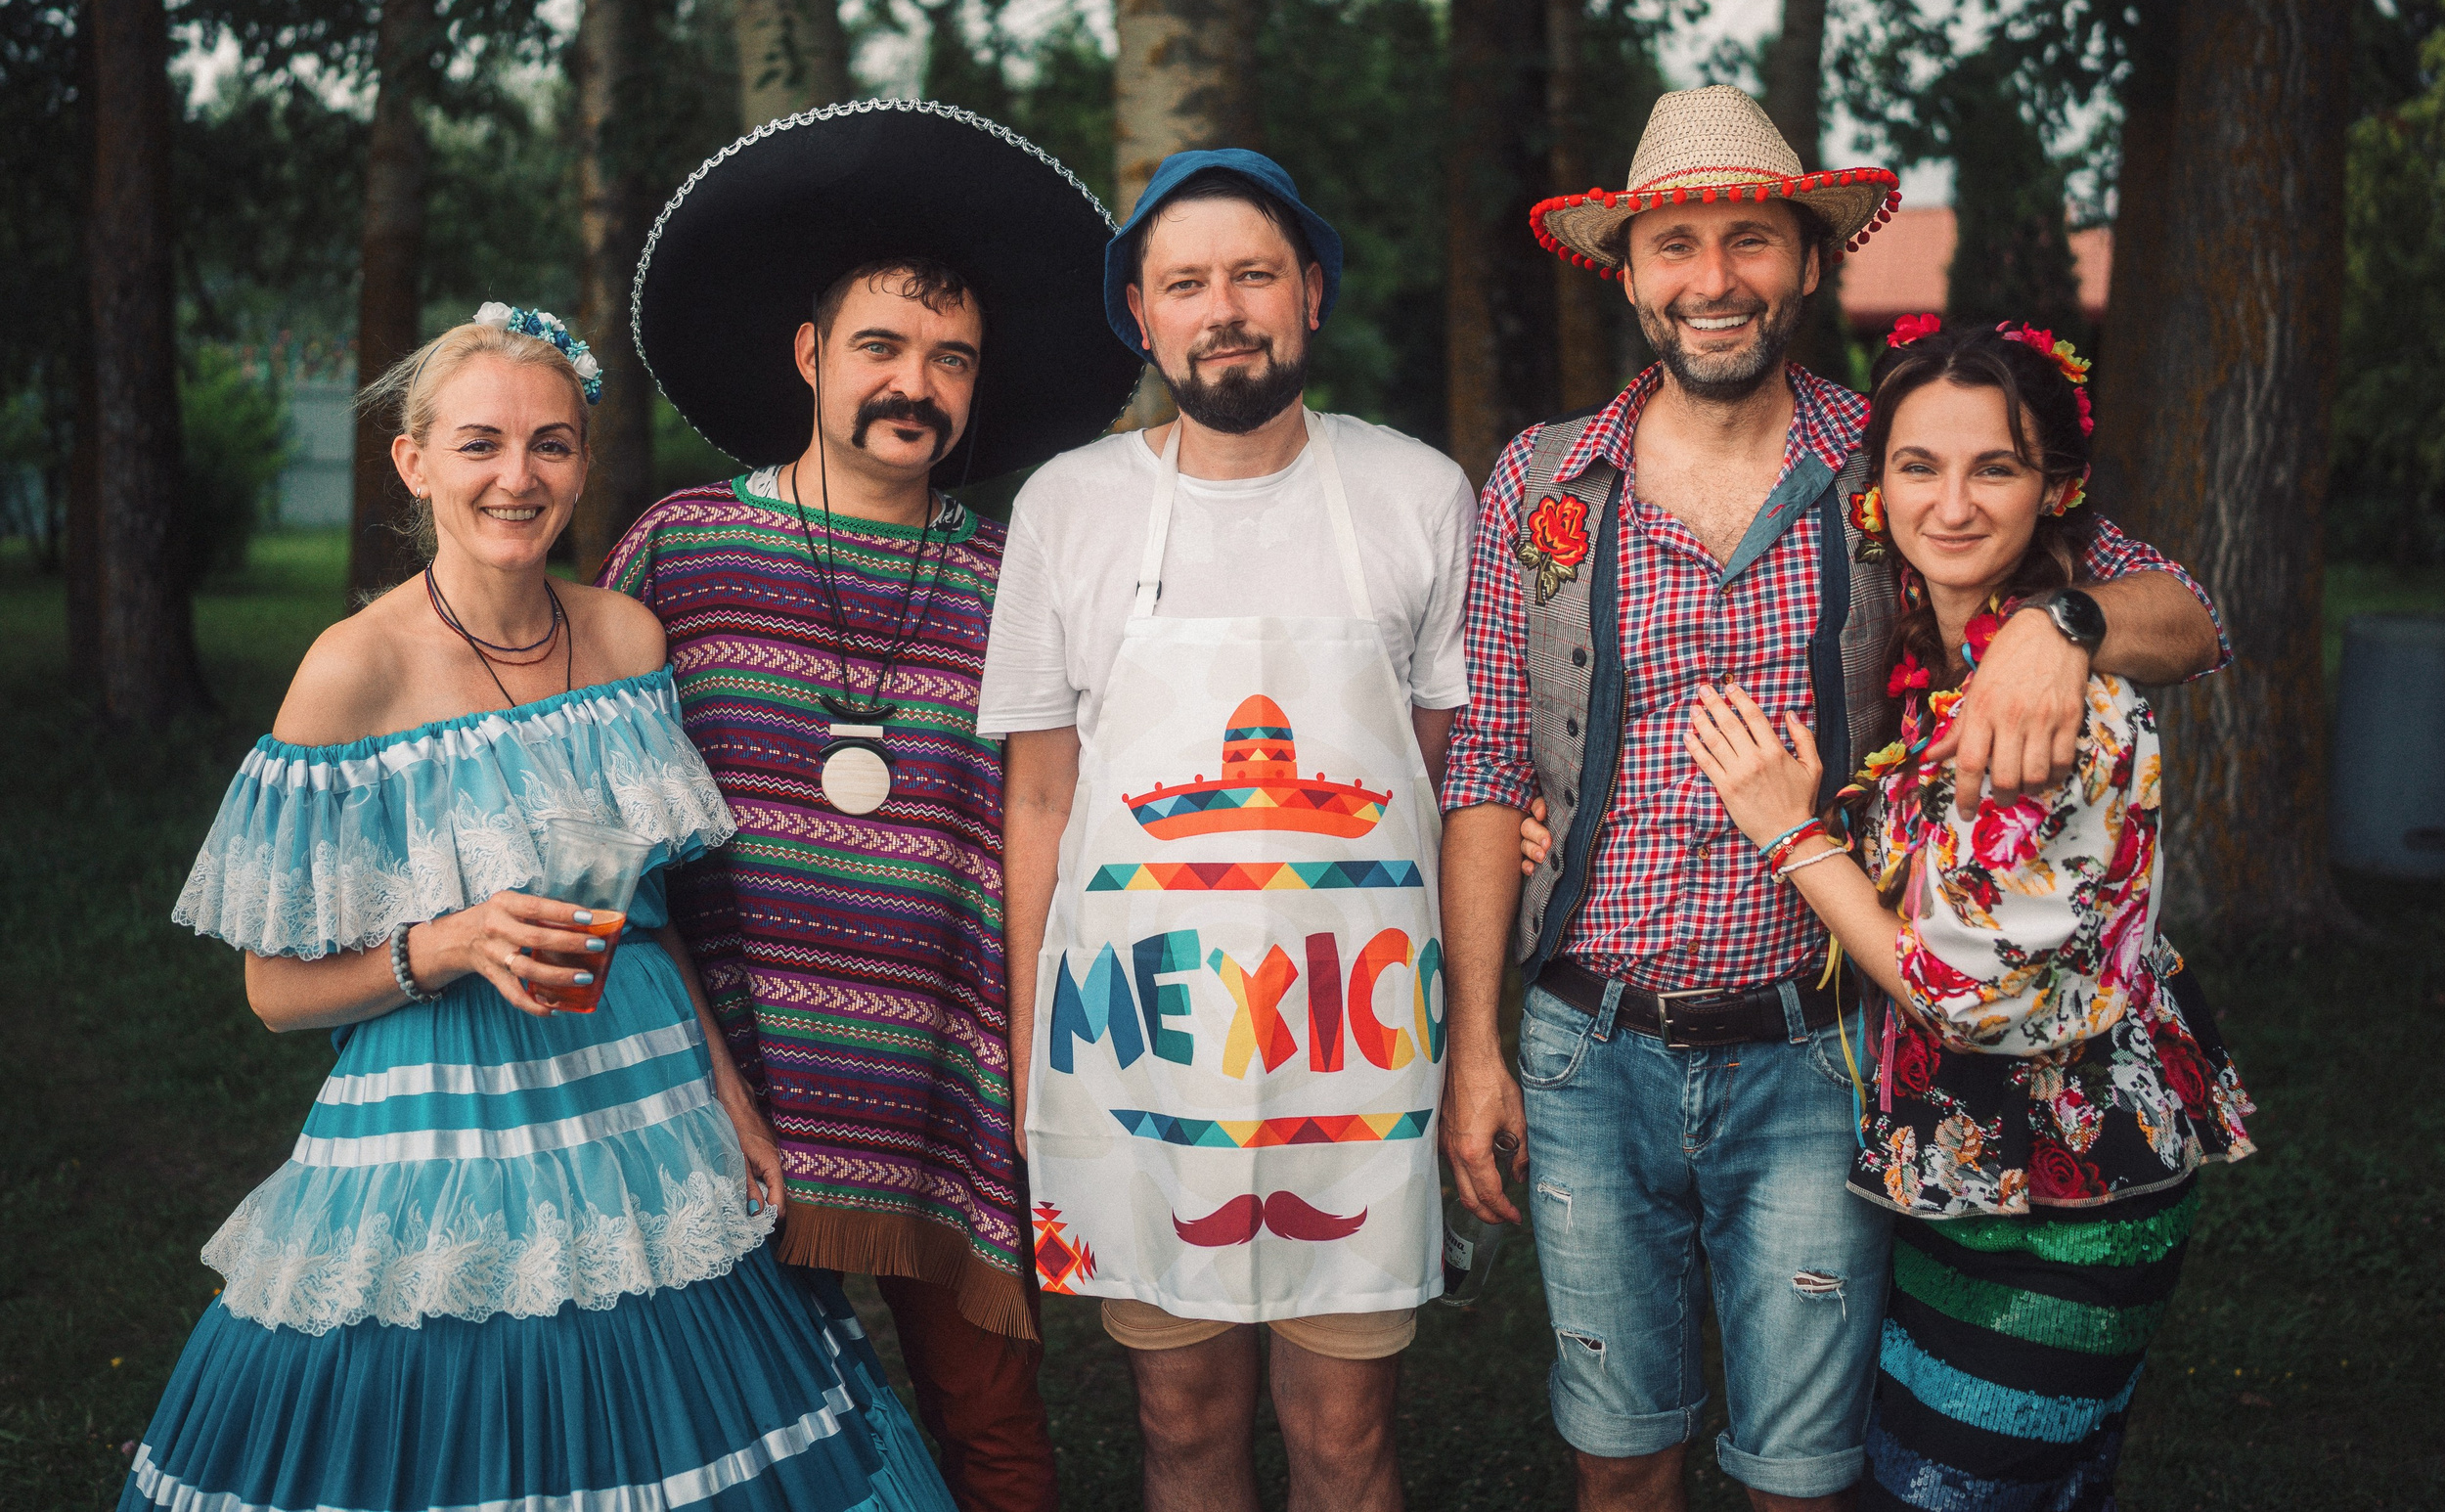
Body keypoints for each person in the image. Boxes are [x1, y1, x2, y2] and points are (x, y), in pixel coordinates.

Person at [1438, 85, 2231, 1512]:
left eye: (1753, 239)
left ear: (1809, 262)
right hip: (1582, 1045)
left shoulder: (1901, 456)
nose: (1714, 278)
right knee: (1620, 1460)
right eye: (1675, 244)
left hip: (1819, 1051)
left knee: (1801, 1473)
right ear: (1629, 272)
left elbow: (2189, 613)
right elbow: (1490, 762)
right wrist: (1475, 1050)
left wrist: (2066, 628)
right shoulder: (1543, 483)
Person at [125, 308, 952, 1512]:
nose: (519, 478)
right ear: (414, 464)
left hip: (649, 1102)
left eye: (551, 445)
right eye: (481, 445)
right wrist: (447, 942)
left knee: (686, 1416)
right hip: (451, 1124)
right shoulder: (354, 671)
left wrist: (735, 1108)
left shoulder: (626, 637)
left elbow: (653, 913)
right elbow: (272, 993)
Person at [600, 104, 1137, 1512]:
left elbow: (1082, 814)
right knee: (735, 1413)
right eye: (884, 348)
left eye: (951, 358)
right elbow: (599, 798)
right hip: (727, 1068)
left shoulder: (1020, 578)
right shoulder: (683, 549)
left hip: (941, 1070)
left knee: (992, 1420)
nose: (918, 383)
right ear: (810, 356)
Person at [1671, 318, 2256, 1509]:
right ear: (1875, 486)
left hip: (2062, 1196)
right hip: (1975, 1173)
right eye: (1917, 465)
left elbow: (1967, 992)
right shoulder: (1945, 647)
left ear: (2057, 489)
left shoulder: (2044, 703)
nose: (1953, 502)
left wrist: (1789, 833)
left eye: (1995, 467)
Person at [981, 149, 1477, 1512]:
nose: (1224, 308)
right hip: (1147, 1044)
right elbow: (1041, 794)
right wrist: (1044, 1043)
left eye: (1253, 273)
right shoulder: (1066, 505)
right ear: (1139, 314)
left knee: (1345, 1433)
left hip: (1356, 1050)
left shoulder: (1419, 495)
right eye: (1185, 283)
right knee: (1182, 1422)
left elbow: (1434, 777)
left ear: (1309, 294)